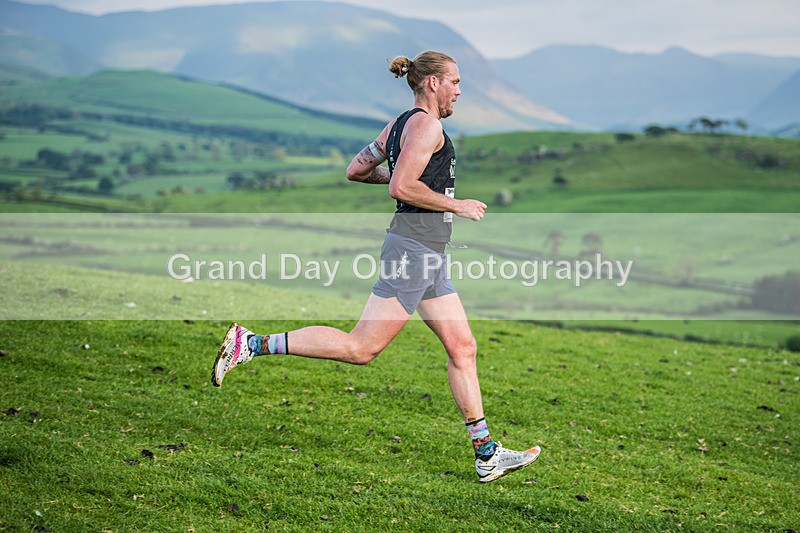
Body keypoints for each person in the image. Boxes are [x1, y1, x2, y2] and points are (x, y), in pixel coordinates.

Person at [211, 50, 541, 483]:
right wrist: (455, 203)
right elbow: (401, 186)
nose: (460, 90)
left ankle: (487, 455)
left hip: (427, 253)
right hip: (413, 252)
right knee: (361, 348)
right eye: (456, 81)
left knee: (463, 348)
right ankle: (251, 343)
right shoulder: (426, 125)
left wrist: (409, 177)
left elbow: (357, 169)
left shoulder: (398, 125)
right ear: (433, 83)